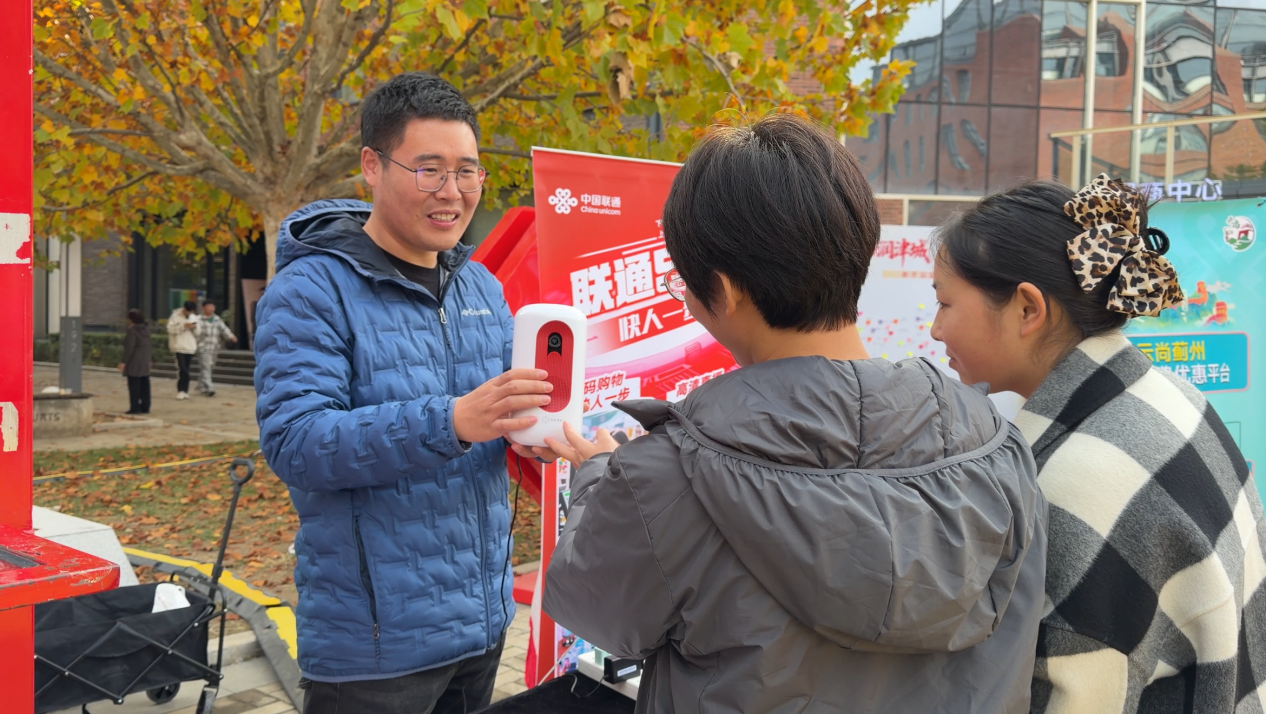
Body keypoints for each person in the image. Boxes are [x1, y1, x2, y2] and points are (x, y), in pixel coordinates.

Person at [526, 114, 1048, 713]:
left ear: (726, 289)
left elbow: (598, 610)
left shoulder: (664, 479)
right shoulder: (995, 445)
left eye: (686, 282)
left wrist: (599, 476)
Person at [253, 72, 553, 714]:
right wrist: (451, 422)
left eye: (468, 171)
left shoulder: (481, 288)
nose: (453, 193)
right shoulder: (311, 292)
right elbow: (296, 444)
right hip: (374, 650)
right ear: (372, 165)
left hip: (482, 625)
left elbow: (498, 423)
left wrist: (539, 440)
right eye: (429, 170)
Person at [929, 175, 1266, 713]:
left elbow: (1075, 697)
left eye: (944, 303)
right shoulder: (1172, 395)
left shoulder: (1070, 481)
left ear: (1027, 310)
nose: (934, 329)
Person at [196, 301, 237, 397]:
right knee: (206, 366)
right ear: (204, 307)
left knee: (209, 367)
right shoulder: (198, 319)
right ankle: (210, 388)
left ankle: (201, 386)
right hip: (203, 347)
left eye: (212, 306)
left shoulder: (216, 319)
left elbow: (224, 329)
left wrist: (231, 336)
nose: (211, 308)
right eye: (208, 306)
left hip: (214, 347)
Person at [118, 308, 151, 414]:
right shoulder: (146, 330)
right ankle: (145, 406)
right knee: (145, 384)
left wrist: (123, 362)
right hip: (145, 360)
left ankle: (135, 407)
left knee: (134, 385)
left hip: (134, 361)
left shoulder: (132, 331)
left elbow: (129, 348)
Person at [166, 300, 198, 400]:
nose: (189, 314)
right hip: (178, 346)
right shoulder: (175, 315)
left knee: (187, 369)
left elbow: (199, 332)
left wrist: (194, 328)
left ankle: (185, 391)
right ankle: (180, 390)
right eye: (188, 311)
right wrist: (183, 326)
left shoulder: (194, 317)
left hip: (190, 346)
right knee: (182, 369)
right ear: (184, 309)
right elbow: (170, 329)